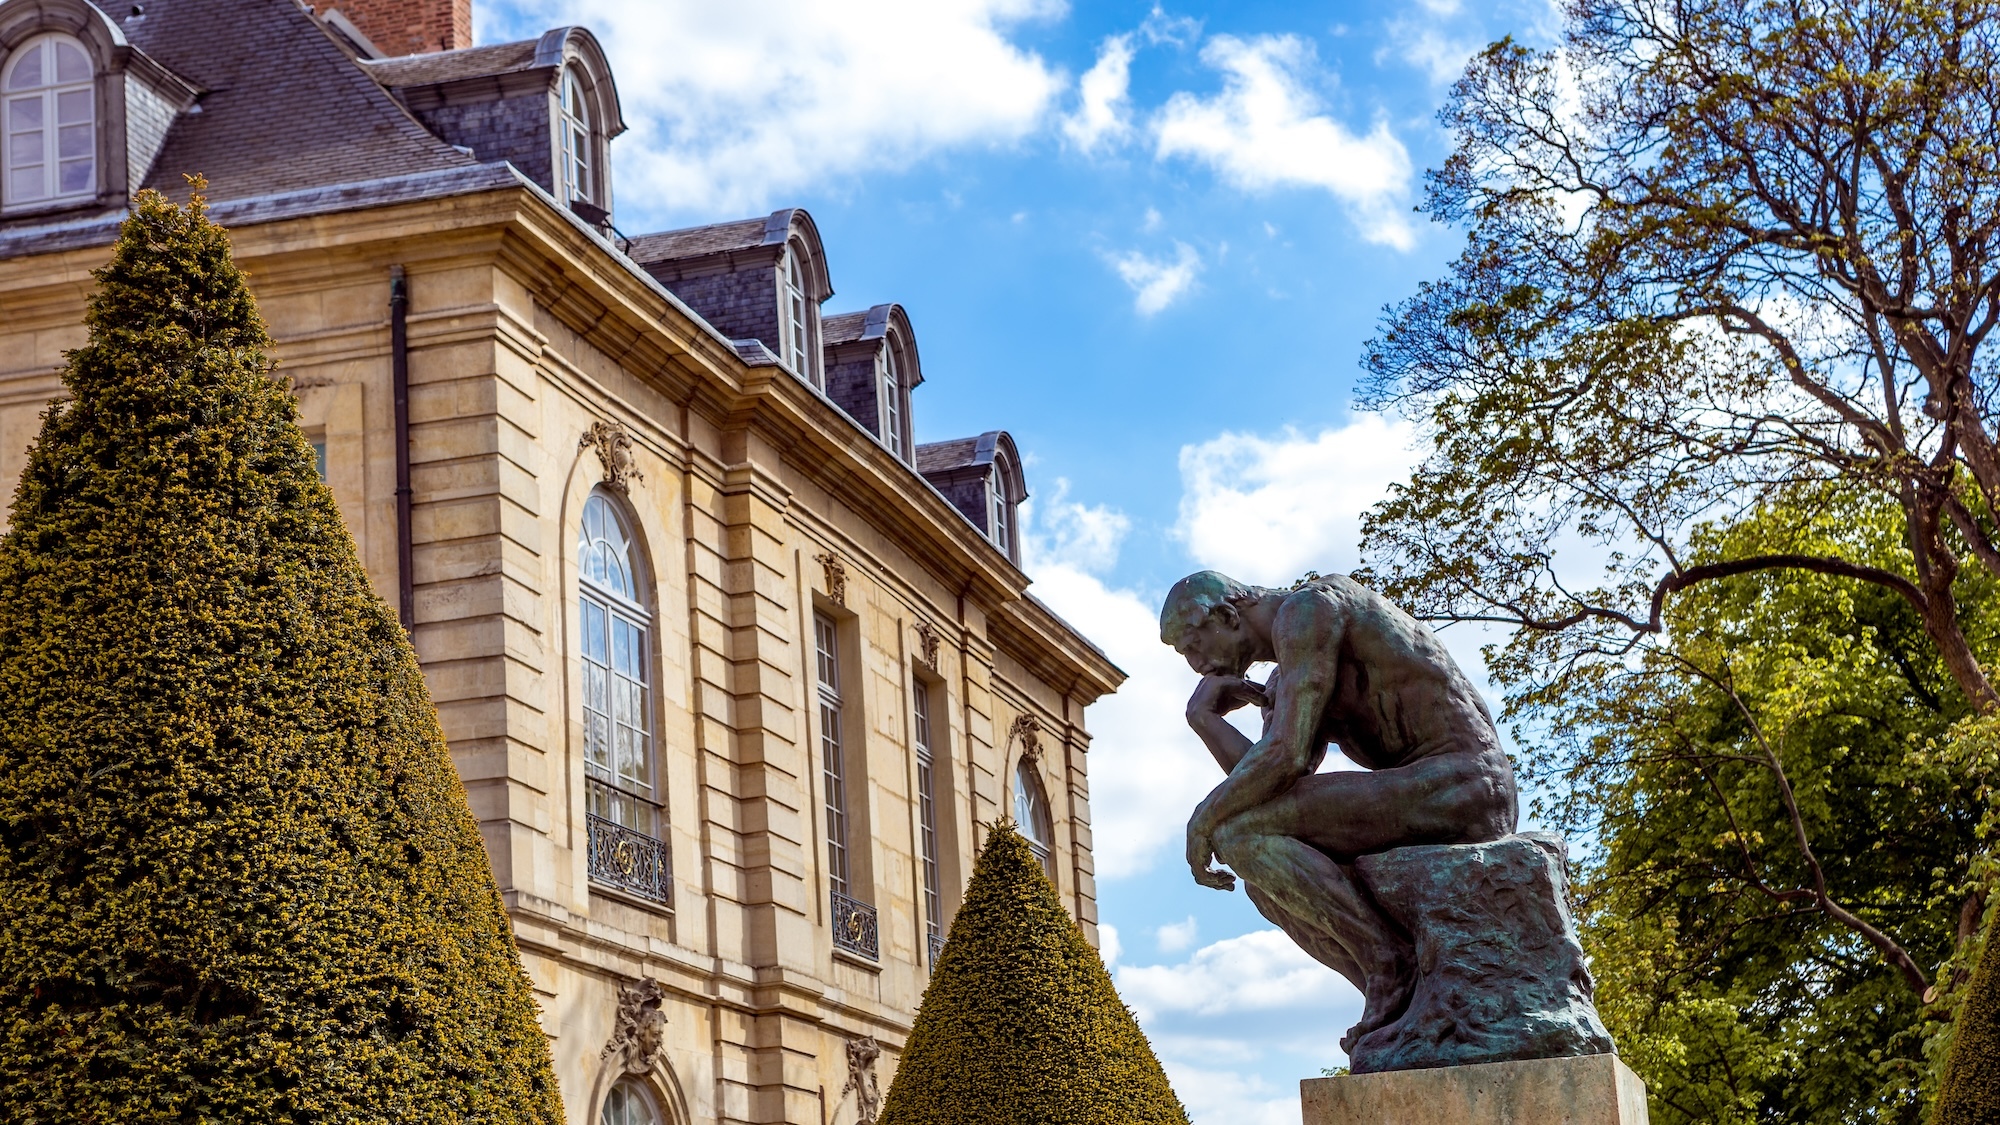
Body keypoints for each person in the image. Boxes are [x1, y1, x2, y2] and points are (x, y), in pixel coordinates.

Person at [1160, 569, 1519, 1047]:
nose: (1197, 664)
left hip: (1468, 782)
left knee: (1238, 835)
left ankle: (1388, 962)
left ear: (1227, 615)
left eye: (1193, 646)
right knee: (1263, 875)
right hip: (1423, 789)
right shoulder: (1284, 673)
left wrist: (1204, 820)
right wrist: (1203, 719)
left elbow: (1284, 757)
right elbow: (1271, 783)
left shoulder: (1309, 612)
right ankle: (1398, 994)